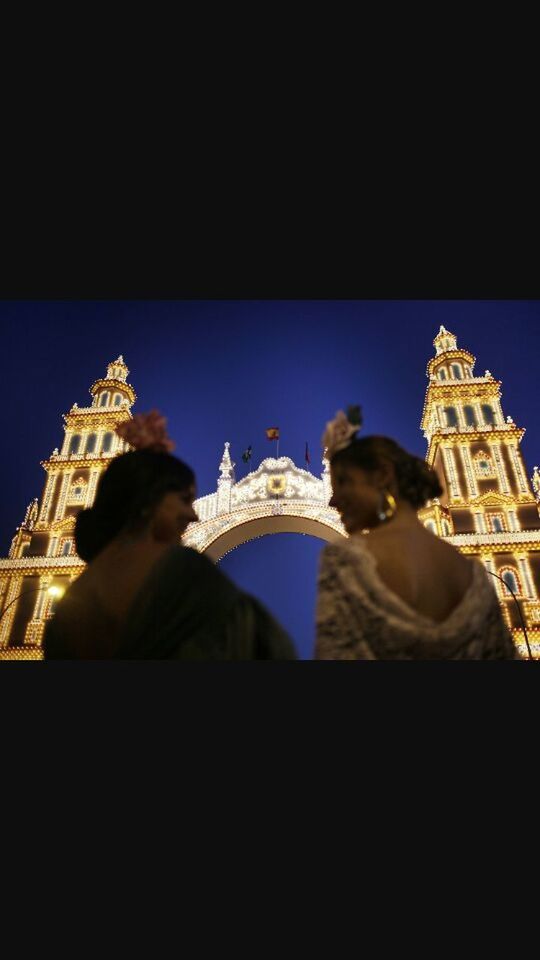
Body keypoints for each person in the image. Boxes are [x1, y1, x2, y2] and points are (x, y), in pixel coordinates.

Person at [44, 411, 296, 660]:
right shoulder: (177, 568)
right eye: (185, 500)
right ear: (148, 501)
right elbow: (265, 646)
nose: (193, 515)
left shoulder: (74, 596)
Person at [314, 407, 520, 660]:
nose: (334, 501)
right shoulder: (476, 575)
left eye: (344, 482)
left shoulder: (345, 559)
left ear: (382, 475)